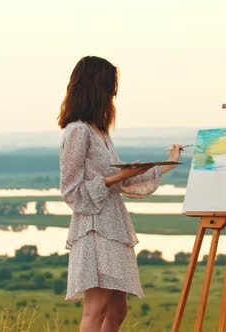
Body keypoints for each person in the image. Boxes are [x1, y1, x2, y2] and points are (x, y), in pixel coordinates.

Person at [56, 55, 183, 332]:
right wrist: (117, 177)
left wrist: (169, 163)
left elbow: (122, 182)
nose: (113, 94)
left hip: (114, 224)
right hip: (93, 227)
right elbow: (70, 190)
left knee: (118, 309)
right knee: (96, 307)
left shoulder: (100, 132)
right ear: (94, 88)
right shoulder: (77, 131)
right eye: (109, 86)